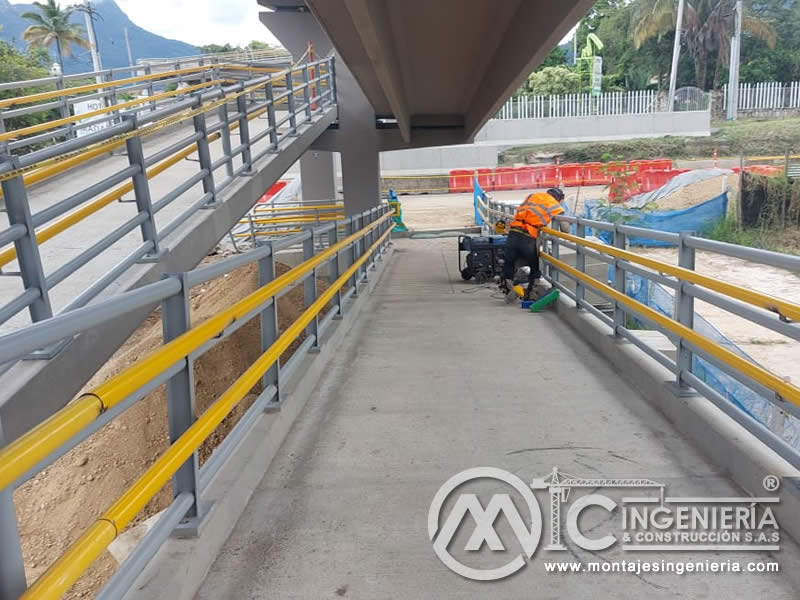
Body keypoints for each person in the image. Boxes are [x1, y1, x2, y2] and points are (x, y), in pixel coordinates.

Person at [501, 188, 566, 301]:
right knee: (534, 266)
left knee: (509, 262)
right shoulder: (555, 206)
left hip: (514, 231)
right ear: (559, 199)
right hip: (528, 235)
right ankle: (531, 294)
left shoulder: (533, 196)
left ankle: (508, 289)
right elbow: (565, 229)